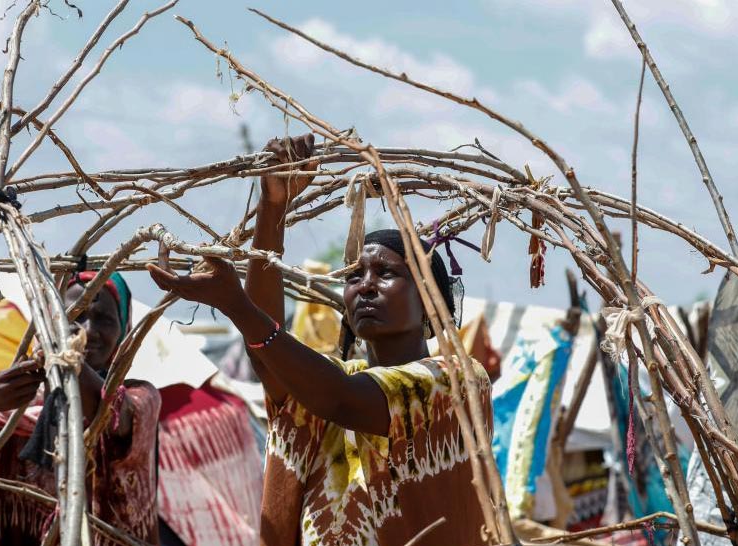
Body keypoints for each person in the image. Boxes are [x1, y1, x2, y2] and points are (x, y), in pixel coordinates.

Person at [146, 134, 492, 545]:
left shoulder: (456, 380)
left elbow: (340, 398)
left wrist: (238, 307)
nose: (364, 286)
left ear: (430, 303)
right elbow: (269, 359)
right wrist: (273, 208)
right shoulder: (330, 381)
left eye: (386, 274)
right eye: (353, 276)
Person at [0, 271, 161, 546]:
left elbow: (111, 412)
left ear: (123, 331)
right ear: (51, 321)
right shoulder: (17, 402)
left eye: (105, 319)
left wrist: (63, 360)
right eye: (76, 315)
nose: (89, 330)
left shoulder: (141, 397)